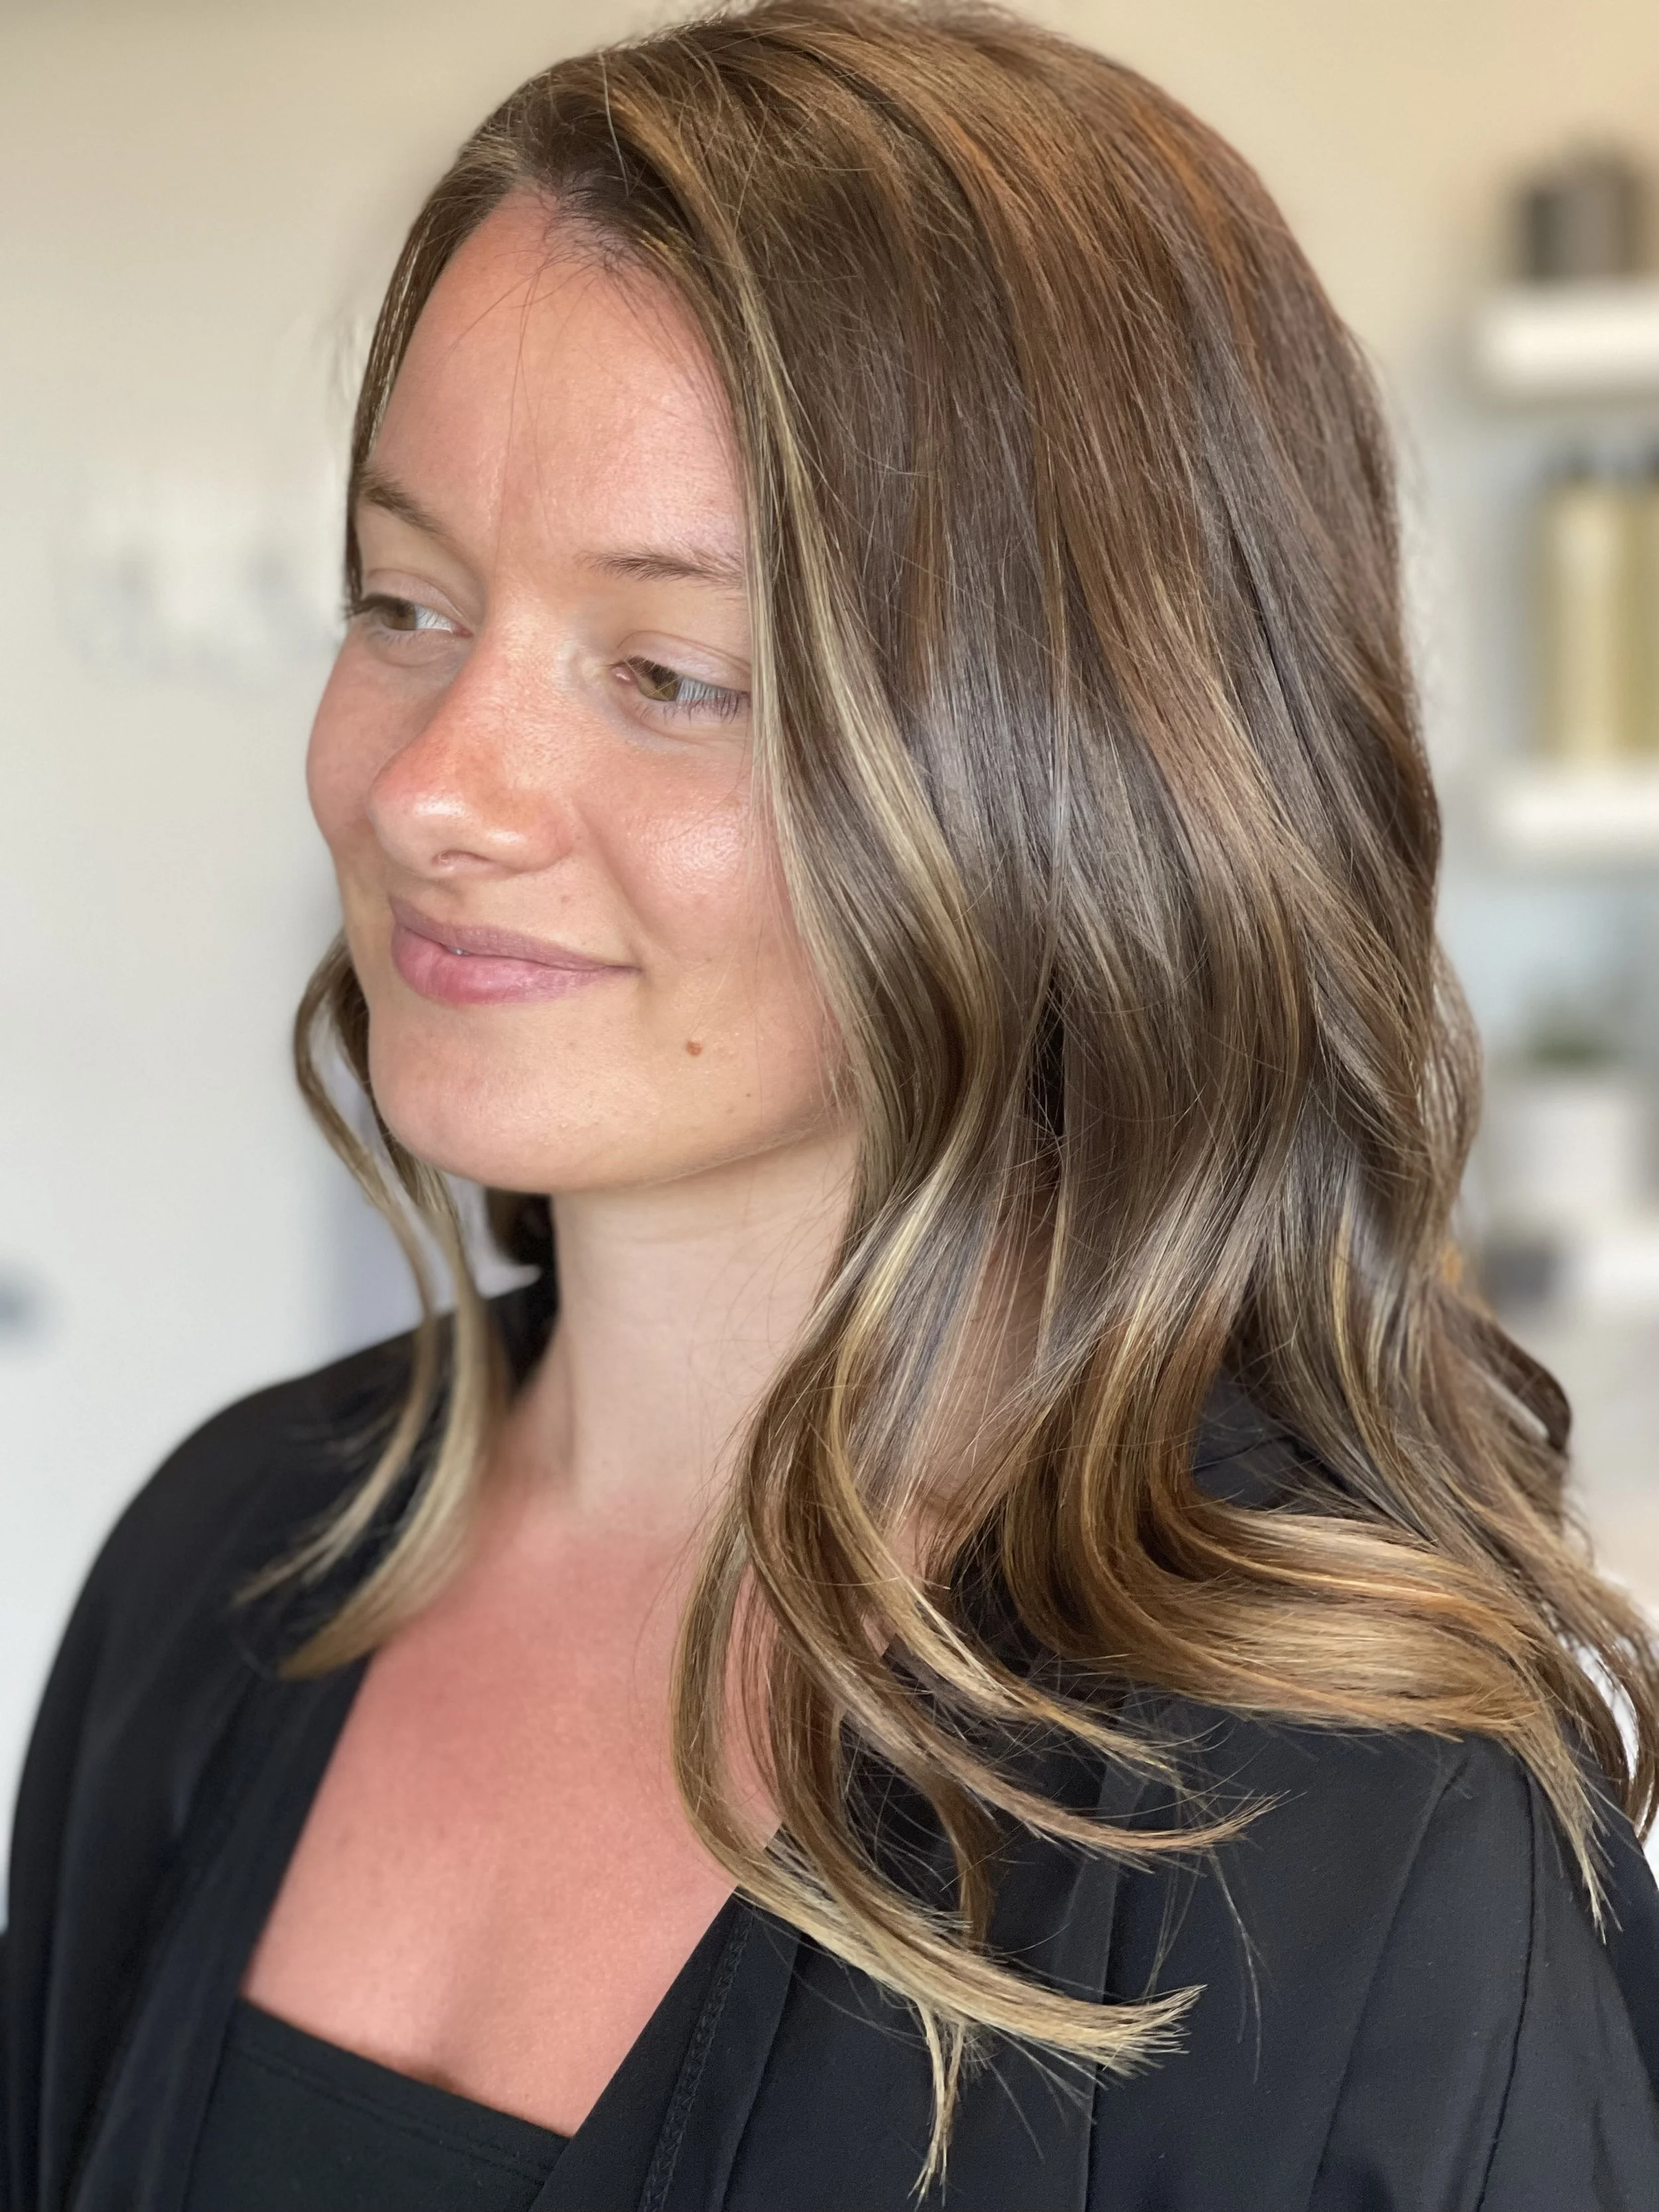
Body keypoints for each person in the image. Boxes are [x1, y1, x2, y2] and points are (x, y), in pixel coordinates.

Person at [5, 3, 1658, 2205]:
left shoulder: (1355, 1848)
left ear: (1085, 778)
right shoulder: (223, 1565)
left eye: (669, 673)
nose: (429, 790)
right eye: (403, 603)